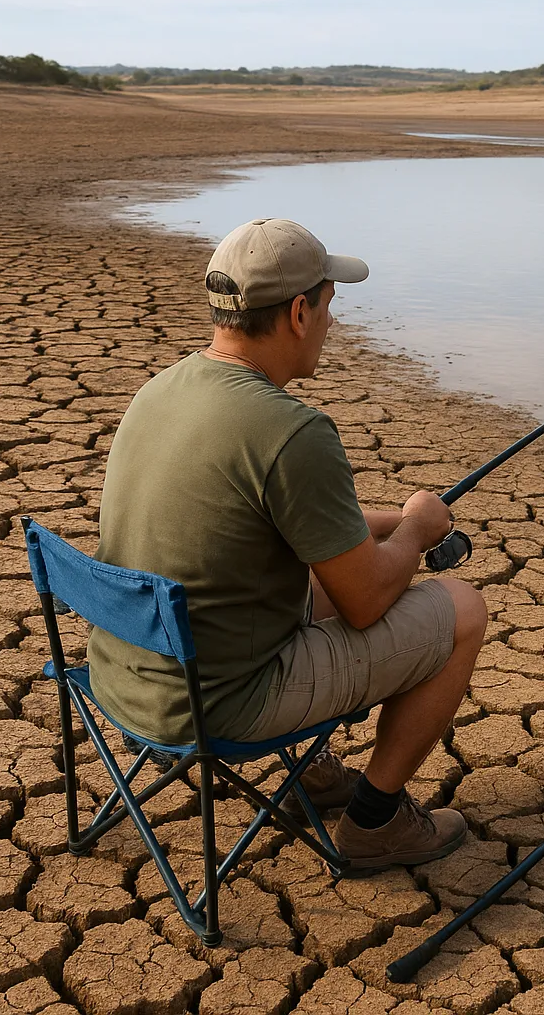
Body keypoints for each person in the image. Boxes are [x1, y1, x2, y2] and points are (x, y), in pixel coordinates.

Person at [87, 218, 487, 869]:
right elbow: (364, 603)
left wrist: (390, 523)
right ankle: (375, 823)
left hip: (127, 678)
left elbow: (299, 523)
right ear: (300, 312)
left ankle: (317, 774)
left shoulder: (161, 390)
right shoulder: (293, 432)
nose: (332, 321)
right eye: (330, 305)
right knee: (462, 610)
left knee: (307, 579)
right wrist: (417, 532)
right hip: (217, 706)